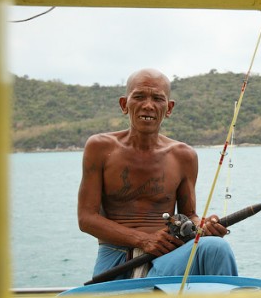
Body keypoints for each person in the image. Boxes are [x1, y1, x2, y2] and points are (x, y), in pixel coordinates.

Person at [77, 68, 238, 280]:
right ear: (124, 104)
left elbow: (189, 215)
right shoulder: (100, 147)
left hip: (166, 257)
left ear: (169, 108)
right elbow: (86, 218)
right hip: (114, 256)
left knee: (216, 247)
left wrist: (205, 226)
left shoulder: (184, 155)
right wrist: (143, 240)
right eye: (139, 97)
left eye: (158, 98)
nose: (148, 105)